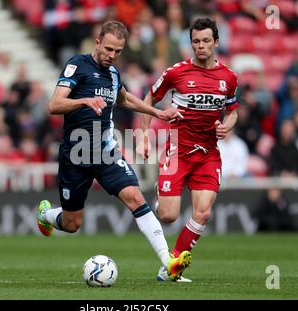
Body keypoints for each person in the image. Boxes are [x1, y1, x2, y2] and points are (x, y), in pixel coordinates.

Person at [37, 20, 191, 282]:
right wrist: (84, 100)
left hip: (105, 150)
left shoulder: (113, 74)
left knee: (135, 196)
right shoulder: (78, 65)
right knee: (72, 224)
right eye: (108, 49)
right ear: (97, 43)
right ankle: (46, 215)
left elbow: (125, 98)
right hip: (76, 154)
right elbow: (54, 105)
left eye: (118, 51)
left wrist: (157, 112)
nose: (112, 56)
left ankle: (169, 263)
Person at [138, 18, 239, 282]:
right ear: (190, 43)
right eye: (196, 41)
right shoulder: (176, 72)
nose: (201, 46)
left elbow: (233, 112)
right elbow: (150, 97)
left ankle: (171, 266)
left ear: (216, 42)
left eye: (206, 41)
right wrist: (145, 135)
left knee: (203, 212)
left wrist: (227, 126)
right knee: (169, 216)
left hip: (208, 154)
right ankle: (161, 202)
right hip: (177, 152)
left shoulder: (228, 77)